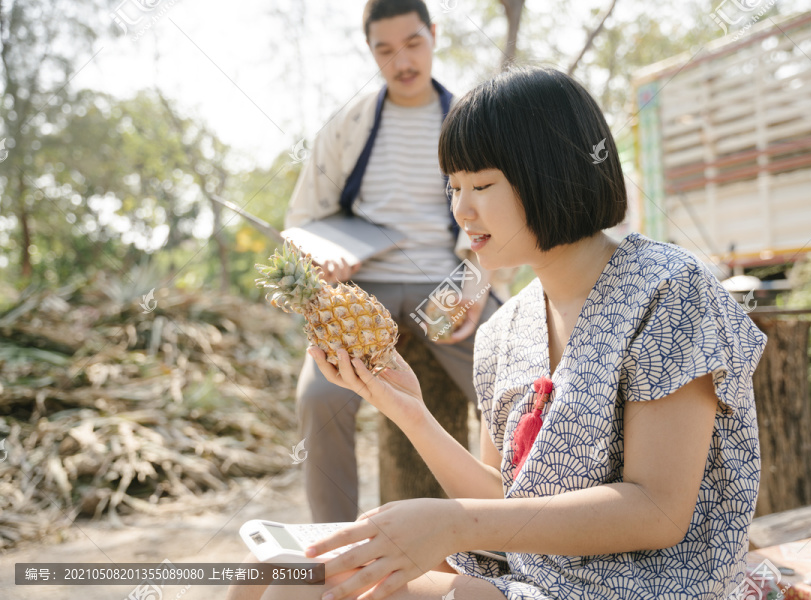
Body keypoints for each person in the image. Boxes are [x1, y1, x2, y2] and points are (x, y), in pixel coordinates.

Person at [229, 66, 767, 600]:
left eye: (482, 185)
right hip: (530, 579)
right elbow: (506, 502)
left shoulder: (669, 291)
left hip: (645, 589)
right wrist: (408, 411)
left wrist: (455, 524)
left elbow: (657, 510)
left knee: (300, 592)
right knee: (266, 578)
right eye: (453, 187)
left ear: (552, 173)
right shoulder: (503, 329)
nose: (462, 210)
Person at [285, 0, 509, 524]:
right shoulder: (347, 125)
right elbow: (302, 219)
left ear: (433, 35)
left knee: (513, 375)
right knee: (319, 397)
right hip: (365, 289)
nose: (402, 60)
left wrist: (477, 290)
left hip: (449, 280)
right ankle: (335, 542)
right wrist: (324, 259)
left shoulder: (468, 119)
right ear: (371, 51)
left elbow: (499, 217)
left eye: (413, 44)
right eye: (385, 50)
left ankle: (507, 526)